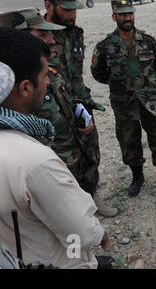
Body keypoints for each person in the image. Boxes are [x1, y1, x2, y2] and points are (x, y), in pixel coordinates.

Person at [0, 27, 108, 268]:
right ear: (26, 87)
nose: (48, 80)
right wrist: (99, 233)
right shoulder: (33, 161)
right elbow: (80, 230)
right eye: (43, 75)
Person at [0, 8, 119, 218]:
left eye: (49, 34)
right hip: (52, 164)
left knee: (84, 176)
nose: (51, 40)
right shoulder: (10, 91)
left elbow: (68, 95)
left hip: (73, 145)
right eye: (42, 35)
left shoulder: (48, 71)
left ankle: (89, 198)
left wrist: (80, 112)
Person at [91, 0, 156, 197]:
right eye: (122, 14)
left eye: (130, 13)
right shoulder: (105, 46)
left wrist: (145, 86)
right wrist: (121, 86)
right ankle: (137, 177)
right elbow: (98, 74)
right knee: (129, 140)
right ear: (114, 17)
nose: (127, 17)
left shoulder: (148, 41)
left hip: (149, 101)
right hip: (124, 104)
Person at [43, 0, 116, 215]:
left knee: (91, 151)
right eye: (66, 9)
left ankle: (92, 195)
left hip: (80, 103)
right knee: (64, 159)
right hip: (55, 110)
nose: (72, 14)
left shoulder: (76, 33)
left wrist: (81, 106)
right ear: (48, 6)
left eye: (75, 9)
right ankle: (71, 209)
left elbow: (76, 73)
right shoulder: (39, 37)